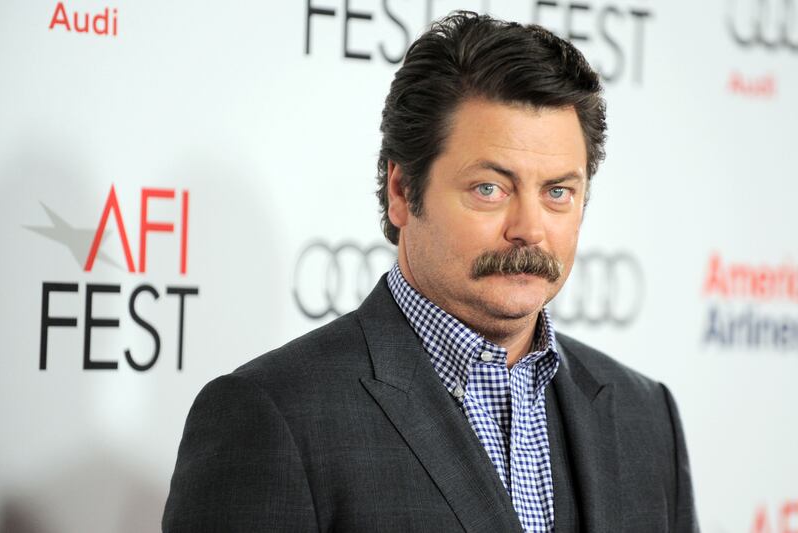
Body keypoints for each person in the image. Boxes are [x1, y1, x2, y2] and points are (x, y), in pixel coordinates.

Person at [163, 11, 699, 533]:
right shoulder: (273, 416)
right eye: (490, 188)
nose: (529, 229)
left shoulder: (646, 416)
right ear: (401, 191)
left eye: (558, 192)